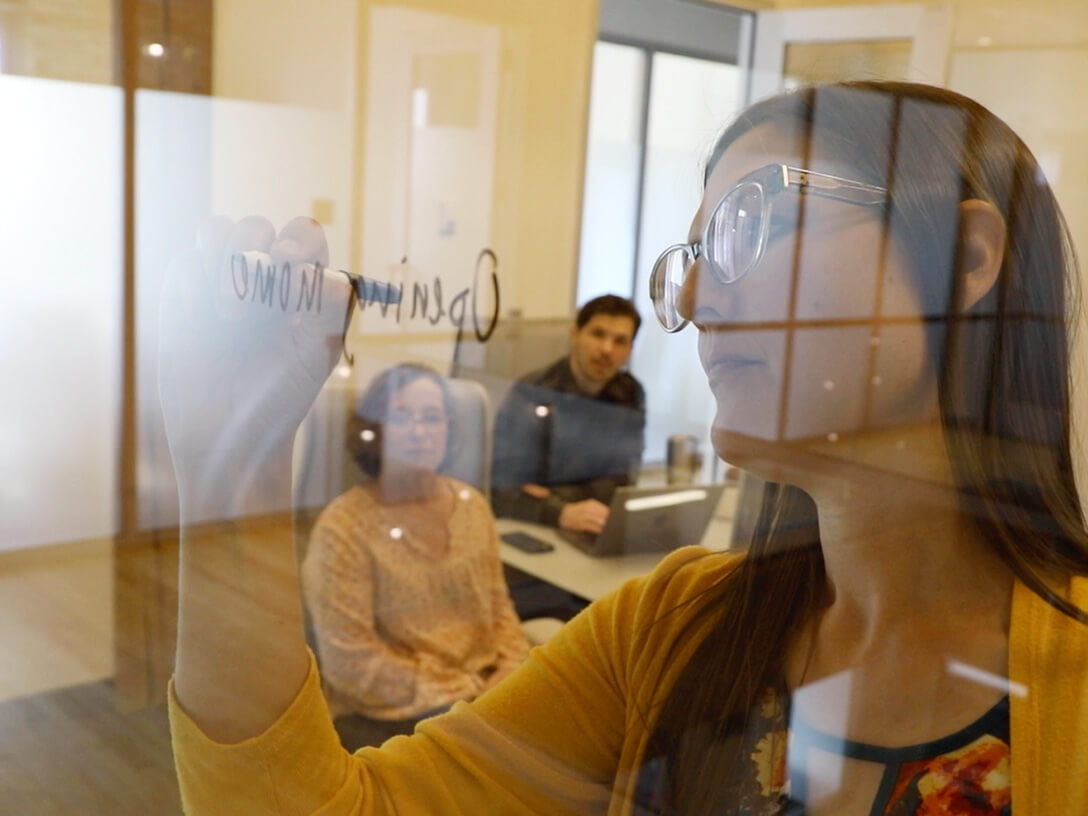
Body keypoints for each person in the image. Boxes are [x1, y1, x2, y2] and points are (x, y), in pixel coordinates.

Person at [163, 83, 1088, 816]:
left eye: (747, 227)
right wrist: (229, 470)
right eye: (688, 261)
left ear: (966, 259)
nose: (692, 304)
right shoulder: (668, 634)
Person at [300, 364, 531, 750]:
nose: (420, 431)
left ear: (449, 431)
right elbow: (352, 664)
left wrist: (511, 668)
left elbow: (498, 608)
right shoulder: (342, 527)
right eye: (402, 417)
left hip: (486, 694)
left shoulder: (472, 506)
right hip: (393, 716)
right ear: (375, 431)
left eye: (432, 417)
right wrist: (463, 697)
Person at [491, 295, 646, 534]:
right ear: (575, 335)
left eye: (619, 341)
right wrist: (560, 511)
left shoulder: (630, 393)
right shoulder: (532, 392)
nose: (606, 349)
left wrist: (554, 495)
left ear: (630, 349)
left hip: (596, 523)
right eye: (598, 334)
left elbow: (622, 482)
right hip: (535, 526)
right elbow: (503, 489)